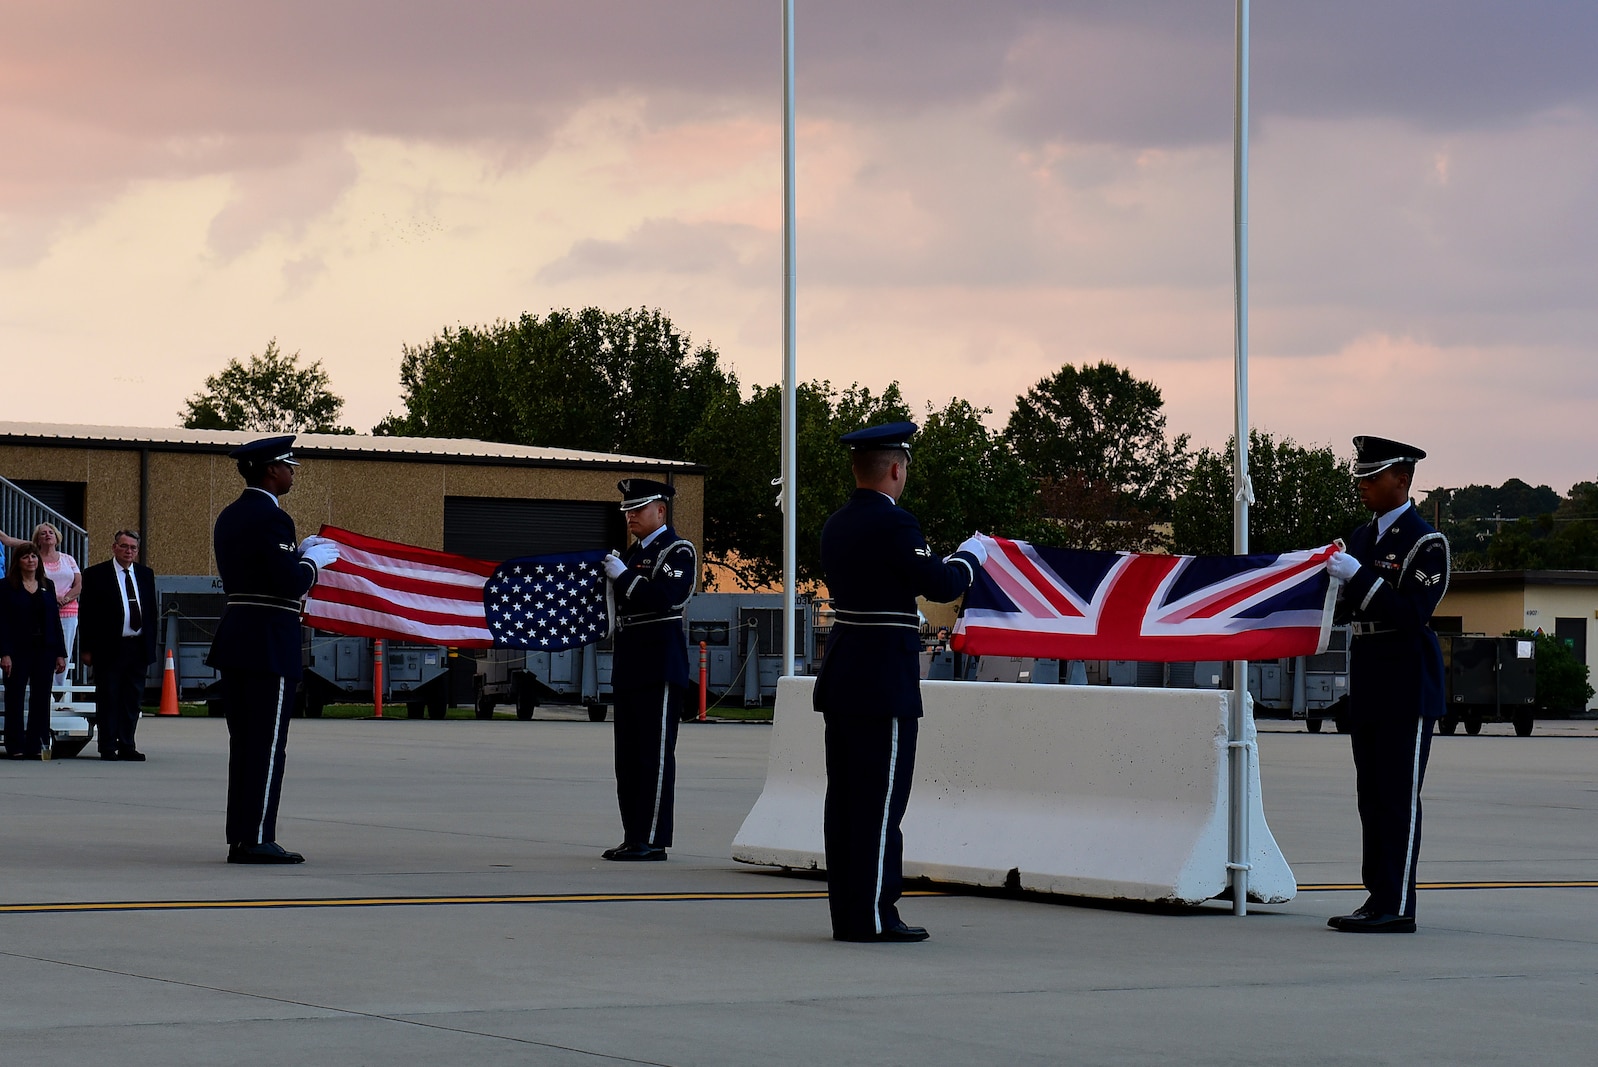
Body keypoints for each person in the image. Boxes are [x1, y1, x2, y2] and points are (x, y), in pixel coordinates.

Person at [812, 421, 986, 943]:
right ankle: (872, 915)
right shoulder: (895, 524)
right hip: (881, 680)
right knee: (881, 804)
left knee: (844, 804)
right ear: (895, 468)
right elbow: (940, 581)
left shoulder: (836, 524)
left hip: (844, 674)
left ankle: (849, 912)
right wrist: (970, 558)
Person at [1324, 435, 1450, 934]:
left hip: (1406, 683)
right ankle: (1376, 897)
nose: (1363, 485)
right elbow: (1344, 605)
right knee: (1371, 798)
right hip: (1370, 678)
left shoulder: (1425, 543)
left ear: (1403, 479)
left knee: (1398, 798)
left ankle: (1397, 905)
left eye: (1373, 477)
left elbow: (1410, 613)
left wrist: (1359, 579)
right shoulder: (1361, 538)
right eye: (1361, 476)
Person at [207, 435, 339, 864]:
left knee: (244, 745)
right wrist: (312, 562)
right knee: (266, 746)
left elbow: (261, 571)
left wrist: (295, 556)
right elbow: (288, 583)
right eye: (288, 466)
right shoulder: (272, 518)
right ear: (270, 470)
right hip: (268, 641)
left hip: (237, 638)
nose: (292, 472)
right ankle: (258, 838)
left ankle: (241, 836)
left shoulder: (229, 516)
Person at [598, 478, 697, 861]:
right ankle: (633, 834)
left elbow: (665, 598)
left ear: (661, 510)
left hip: (659, 664)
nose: (631, 517)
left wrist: (623, 576)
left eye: (638, 510)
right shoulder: (632, 554)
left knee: (652, 756)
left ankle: (652, 838)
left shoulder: (677, 551)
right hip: (629, 664)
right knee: (627, 757)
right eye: (627, 511)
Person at [78, 528, 158, 761]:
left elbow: (150, 611)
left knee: (132, 699)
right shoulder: (96, 574)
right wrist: (87, 648)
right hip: (109, 647)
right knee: (109, 697)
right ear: (114, 547)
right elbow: (88, 613)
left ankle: (127, 744)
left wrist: (150, 645)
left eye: (133, 548)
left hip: (138, 646)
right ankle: (107, 746)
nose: (128, 551)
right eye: (124, 546)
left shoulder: (145, 574)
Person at [0, 544, 68, 759]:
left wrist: (60, 653)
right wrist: (5, 653)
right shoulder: (6, 586)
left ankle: (37, 744)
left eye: (33, 556)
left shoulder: (47, 585)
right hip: (17, 650)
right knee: (15, 696)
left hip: (44, 649)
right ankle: (15, 745)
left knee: (41, 697)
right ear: (17, 561)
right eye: (25, 557)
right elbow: (2, 622)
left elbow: (55, 621)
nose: (30, 560)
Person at [1, 523, 82, 688]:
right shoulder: (33, 559)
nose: (47, 535)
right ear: (37, 539)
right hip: (40, 610)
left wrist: (65, 598)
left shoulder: (68, 558)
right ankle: (46, 690)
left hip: (68, 610)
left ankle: (58, 690)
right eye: (43, 533)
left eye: (51, 532)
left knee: (63, 649)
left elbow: (79, 583)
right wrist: (54, 598)